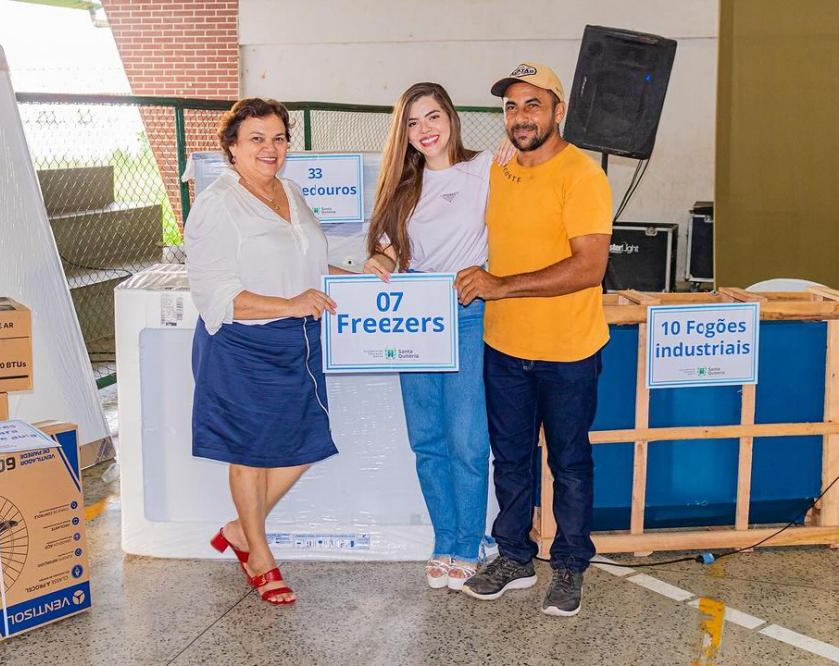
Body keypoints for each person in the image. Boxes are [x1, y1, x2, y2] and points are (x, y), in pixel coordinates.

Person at [455, 63, 612, 617]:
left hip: (568, 351)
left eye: (533, 105)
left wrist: (500, 285)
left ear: (558, 111)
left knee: (569, 462)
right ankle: (515, 556)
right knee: (511, 460)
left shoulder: (582, 175)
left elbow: (589, 267)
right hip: (505, 347)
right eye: (512, 107)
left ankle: (569, 565)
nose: (521, 117)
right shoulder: (498, 170)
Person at [185, 97, 348, 606]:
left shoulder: (290, 192)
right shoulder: (217, 204)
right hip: (241, 345)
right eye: (256, 138)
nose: (269, 148)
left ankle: (239, 529)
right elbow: (216, 295)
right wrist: (291, 303)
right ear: (232, 147)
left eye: (278, 138)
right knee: (249, 455)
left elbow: (308, 268)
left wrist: (359, 278)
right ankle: (259, 554)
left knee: (305, 446)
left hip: (297, 342)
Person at [363, 82, 511, 591]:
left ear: (450, 117)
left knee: (467, 438)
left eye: (432, 116)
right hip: (417, 316)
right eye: (412, 122)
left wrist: (514, 149)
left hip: (467, 313)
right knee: (427, 439)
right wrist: (379, 262)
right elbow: (388, 250)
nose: (424, 129)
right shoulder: (402, 186)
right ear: (403, 133)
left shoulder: (484, 167)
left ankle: (469, 542)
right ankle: (444, 539)